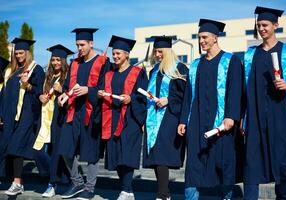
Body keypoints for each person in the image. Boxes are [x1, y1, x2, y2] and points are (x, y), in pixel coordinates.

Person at [178, 19, 243, 200]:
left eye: (205, 37)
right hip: (197, 123)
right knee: (193, 166)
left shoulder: (231, 61)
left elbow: (235, 90)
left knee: (223, 165)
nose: (201, 41)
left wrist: (231, 116)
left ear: (215, 37)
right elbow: (188, 95)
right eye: (199, 38)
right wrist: (184, 119)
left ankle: (227, 197)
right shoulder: (196, 65)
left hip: (221, 124)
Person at [242, 6, 286, 200]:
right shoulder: (250, 55)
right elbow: (243, 90)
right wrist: (242, 117)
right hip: (255, 118)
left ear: (275, 25)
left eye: (265, 24)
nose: (261, 28)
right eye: (259, 25)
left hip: (281, 116)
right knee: (251, 164)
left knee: (281, 164)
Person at [57, 28, 111, 200]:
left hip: (92, 111)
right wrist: (64, 95)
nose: (79, 48)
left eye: (82, 45)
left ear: (91, 44)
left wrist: (88, 90)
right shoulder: (75, 63)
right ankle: (77, 182)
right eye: (77, 45)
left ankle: (90, 187)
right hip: (74, 111)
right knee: (65, 148)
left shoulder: (103, 62)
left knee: (91, 152)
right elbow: (68, 87)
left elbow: (105, 88)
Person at [98, 35, 148, 200]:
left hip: (131, 118)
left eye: (119, 53)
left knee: (127, 154)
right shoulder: (109, 74)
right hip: (111, 117)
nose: (116, 56)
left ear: (127, 54)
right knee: (117, 155)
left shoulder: (138, 72)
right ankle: (127, 190)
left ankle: (126, 190)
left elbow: (143, 95)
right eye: (114, 53)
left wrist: (131, 98)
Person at [142, 36, 187, 200]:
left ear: (168, 52)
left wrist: (169, 99)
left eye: (160, 51)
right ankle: (164, 194)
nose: (157, 54)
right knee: (155, 156)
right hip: (153, 117)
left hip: (170, 117)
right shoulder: (153, 70)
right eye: (156, 51)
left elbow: (186, 95)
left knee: (161, 155)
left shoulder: (179, 68)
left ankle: (162, 195)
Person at [0, 38, 45, 195]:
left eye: (21, 53)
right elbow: (3, 95)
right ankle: (16, 181)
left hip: (27, 115)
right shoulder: (9, 71)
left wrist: (28, 85)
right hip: (10, 116)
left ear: (28, 52)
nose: (18, 56)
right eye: (16, 53)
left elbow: (40, 93)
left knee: (16, 147)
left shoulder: (36, 69)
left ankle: (18, 183)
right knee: (8, 147)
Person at [33, 44, 73, 197]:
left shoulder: (68, 76)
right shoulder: (46, 76)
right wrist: (40, 96)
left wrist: (62, 90)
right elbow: (39, 94)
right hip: (44, 119)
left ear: (63, 61)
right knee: (37, 151)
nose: (55, 62)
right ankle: (55, 175)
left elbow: (72, 96)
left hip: (59, 119)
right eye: (53, 59)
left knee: (56, 152)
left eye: (58, 59)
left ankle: (52, 184)